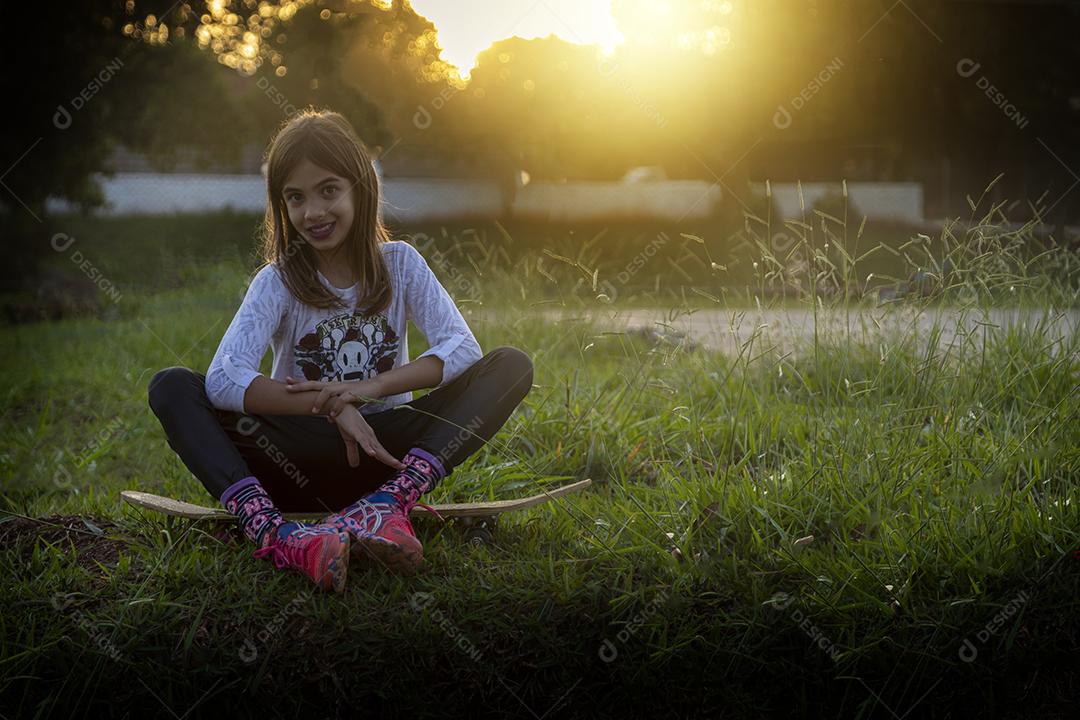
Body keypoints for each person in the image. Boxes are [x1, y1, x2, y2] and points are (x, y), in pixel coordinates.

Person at [147, 108, 534, 591]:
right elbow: (225, 378)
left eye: (329, 190)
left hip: (386, 456)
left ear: (360, 188)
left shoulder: (402, 264)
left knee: (511, 366)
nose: (313, 212)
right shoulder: (278, 280)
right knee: (173, 386)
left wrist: (367, 390)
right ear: (281, 206)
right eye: (295, 197)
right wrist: (329, 405)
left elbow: (462, 351)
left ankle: (388, 506)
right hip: (292, 456)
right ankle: (278, 534)